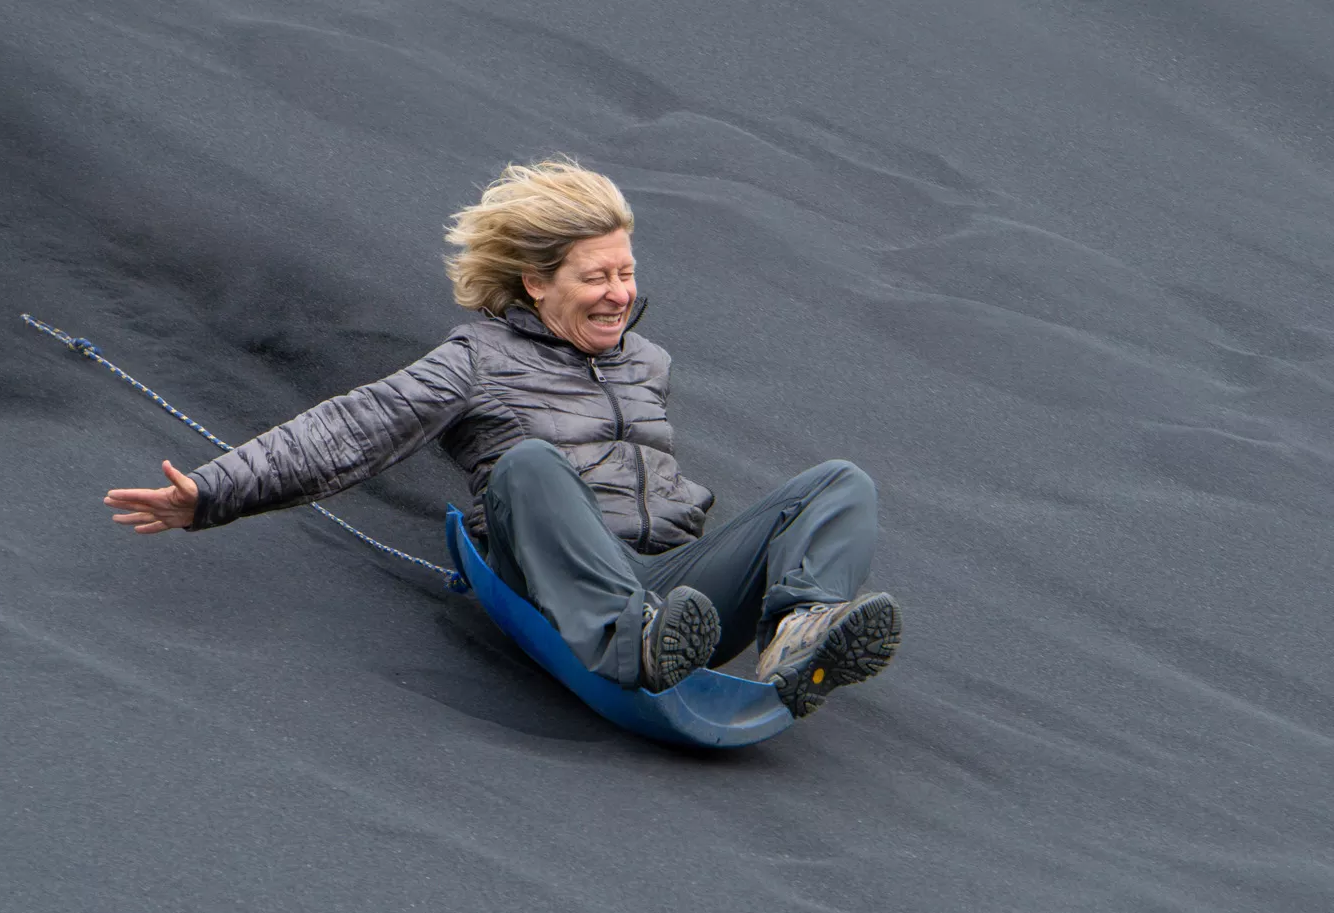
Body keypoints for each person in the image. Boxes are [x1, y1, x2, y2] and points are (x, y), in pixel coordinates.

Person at [104, 159, 901, 718]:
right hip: (566, 597)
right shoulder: (475, 361)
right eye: (597, 276)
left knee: (840, 482)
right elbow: (347, 431)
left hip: (674, 589)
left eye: (626, 272)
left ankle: (800, 632)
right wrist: (211, 493)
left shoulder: (647, 363)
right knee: (527, 465)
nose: (620, 294)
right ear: (535, 281)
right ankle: (631, 638)